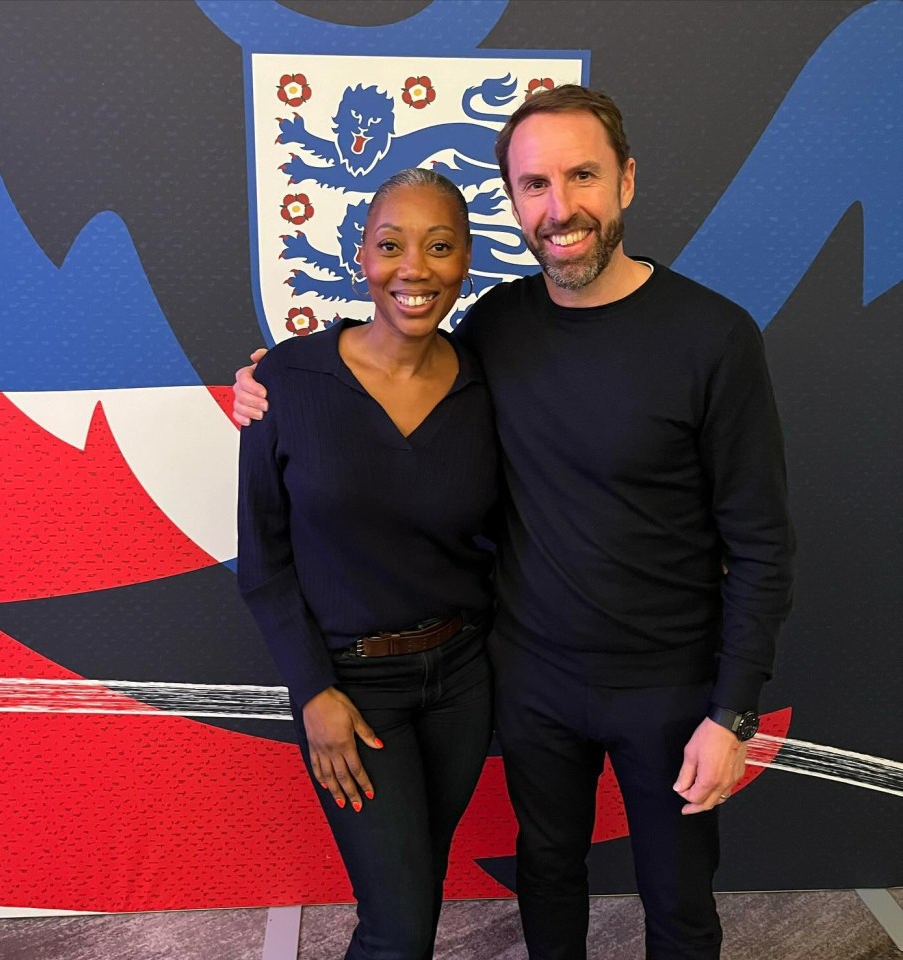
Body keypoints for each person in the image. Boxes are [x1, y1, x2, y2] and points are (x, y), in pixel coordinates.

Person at [234, 87, 795, 960]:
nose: (560, 206)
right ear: (514, 201)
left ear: (627, 182)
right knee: (547, 875)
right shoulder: (496, 327)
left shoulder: (714, 337)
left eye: (582, 176)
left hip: (671, 688)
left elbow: (761, 542)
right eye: (535, 184)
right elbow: (382, 353)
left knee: (680, 908)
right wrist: (277, 375)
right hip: (529, 680)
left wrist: (734, 713)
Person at [237, 167, 498, 960]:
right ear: (362, 256)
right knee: (399, 927)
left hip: (462, 682)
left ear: (466, 262)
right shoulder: (287, 379)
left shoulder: (493, 382)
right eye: (392, 245)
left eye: (440, 246)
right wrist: (313, 690)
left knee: (411, 896)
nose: (413, 268)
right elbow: (264, 559)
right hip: (353, 694)